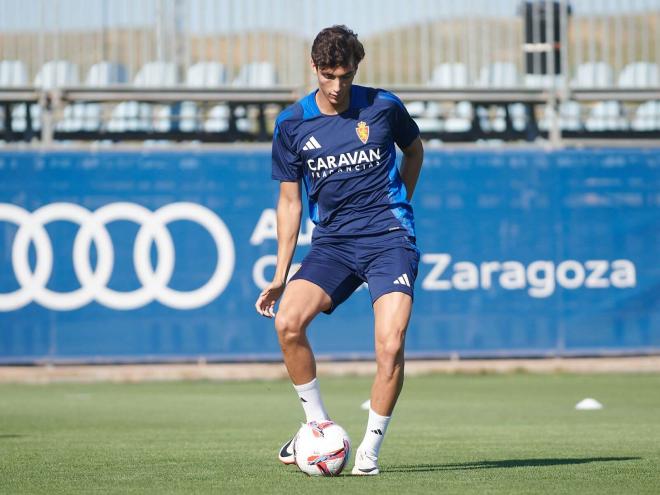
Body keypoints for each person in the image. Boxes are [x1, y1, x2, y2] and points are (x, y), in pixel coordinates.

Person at [254, 24, 423, 476]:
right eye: (328, 75)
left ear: (355, 70)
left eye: (345, 76)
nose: (336, 86)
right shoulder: (292, 124)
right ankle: (317, 426)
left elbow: (415, 152)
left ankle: (368, 450)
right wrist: (279, 274)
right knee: (288, 323)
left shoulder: (384, 106)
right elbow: (290, 203)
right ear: (314, 68)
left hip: (389, 240)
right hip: (333, 245)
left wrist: (399, 205)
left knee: (391, 345)